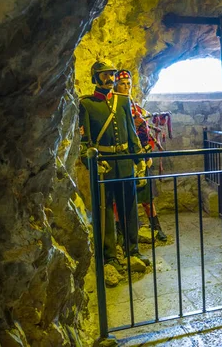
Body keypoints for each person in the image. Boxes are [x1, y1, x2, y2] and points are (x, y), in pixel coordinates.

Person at [79, 60, 150, 279]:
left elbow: (131, 131)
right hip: (106, 164)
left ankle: (132, 251)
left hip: (125, 162)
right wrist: (92, 162)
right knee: (106, 210)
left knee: (129, 206)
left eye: (111, 74)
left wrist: (139, 160)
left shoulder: (122, 101)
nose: (109, 79)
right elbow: (84, 141)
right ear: (95, 77)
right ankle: (110, 257)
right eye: (104, 75)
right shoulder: (87, 104)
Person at [114, 69, 168, 242]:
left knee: (146, 195)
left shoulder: (133, 106)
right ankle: (121, 232)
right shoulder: (114, 107)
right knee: (119, 197)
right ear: (116, 85)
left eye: (128, 84)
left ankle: (156, 226)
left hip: (140, 156)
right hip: (124, 157)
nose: (126, 87)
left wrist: (147, 153)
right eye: (122, 84)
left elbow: (142, 129)